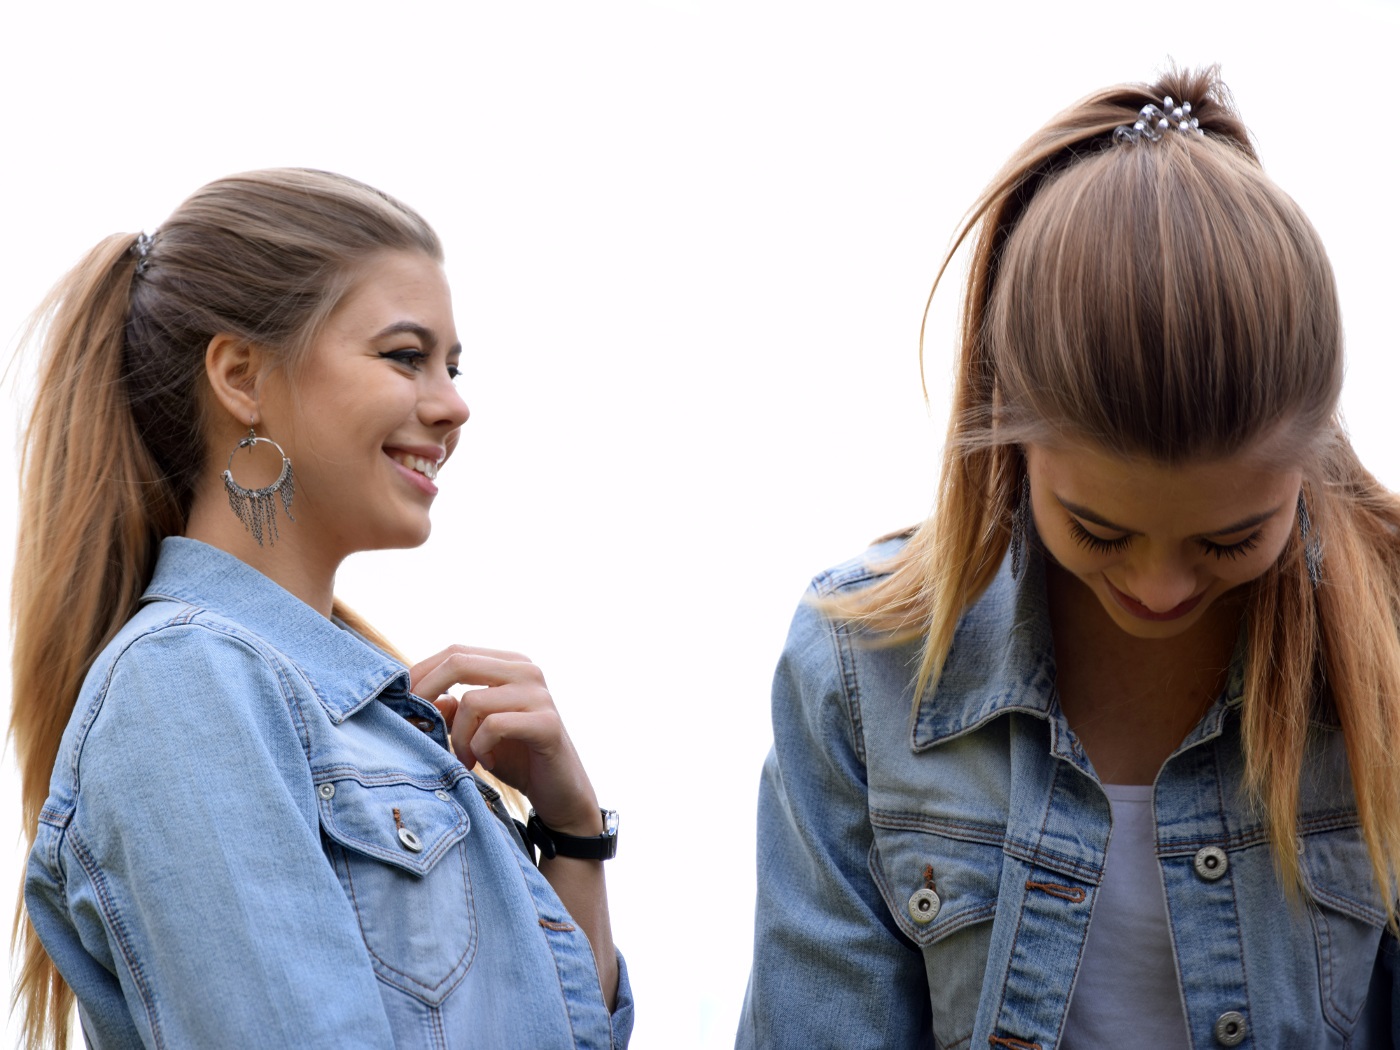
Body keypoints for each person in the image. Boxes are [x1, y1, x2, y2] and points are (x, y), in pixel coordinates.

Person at [737, 67, 1400, 1048]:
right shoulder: (861, 670)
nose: (1158, 587)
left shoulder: (1385, 648)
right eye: (1099, 531)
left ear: (1310, 460)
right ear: (1009, 427)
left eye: (1229, 539)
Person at [11, 169, 631, 1049]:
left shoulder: (349, 712)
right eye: (405, 355)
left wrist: (572, 834)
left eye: (453, 366)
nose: (454, 405)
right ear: (242, 378)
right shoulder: (185, 684)